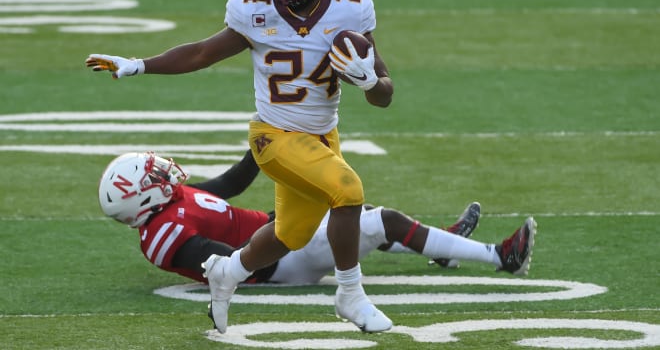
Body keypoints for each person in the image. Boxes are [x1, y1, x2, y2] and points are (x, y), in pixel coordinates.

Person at [85, 0, 536, 333]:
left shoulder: (352, 9)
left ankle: (228, 273)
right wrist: (140, 65)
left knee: (291, 233)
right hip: (273, 137)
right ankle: (350, 294)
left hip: (323, 134)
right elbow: (202, 53)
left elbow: (385, 94)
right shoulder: (252, 9)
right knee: (349, 191)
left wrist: (367, 81)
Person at [97, 150, 537, 288]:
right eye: (153, 175)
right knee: (380, 220)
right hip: (279, 260)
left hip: (273, 234)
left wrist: (265, 140)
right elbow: (235, 264)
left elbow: (230, 184)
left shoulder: (171, 203)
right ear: (143, 196)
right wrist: (292, 232)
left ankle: (442, 245)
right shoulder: (163, 235)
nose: (164, 173)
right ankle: (500, 257)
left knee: (353, 213)